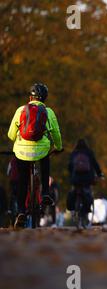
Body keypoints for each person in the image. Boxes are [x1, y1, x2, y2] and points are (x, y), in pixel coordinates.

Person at [7, 83, 63, 229]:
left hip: (22, 151)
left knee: (22, 181)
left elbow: (11, 135)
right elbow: (56, 133)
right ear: (45, 98)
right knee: (45, 161)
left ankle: (20, 212)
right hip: (41, 150)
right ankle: (45, 193)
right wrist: (58, 147)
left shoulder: (20, 110)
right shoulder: (48, 111)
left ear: (30, 97)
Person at [66, 139, 103, 221]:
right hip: (87, 178)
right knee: (88, 193)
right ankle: (85, 210)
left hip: (75, 178)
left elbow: (69, 166)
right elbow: (95, 164)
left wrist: (71, 175)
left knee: (74, 191)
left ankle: (73, 208)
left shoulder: (74, 153)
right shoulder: (89, 153)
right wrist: (100, 173)